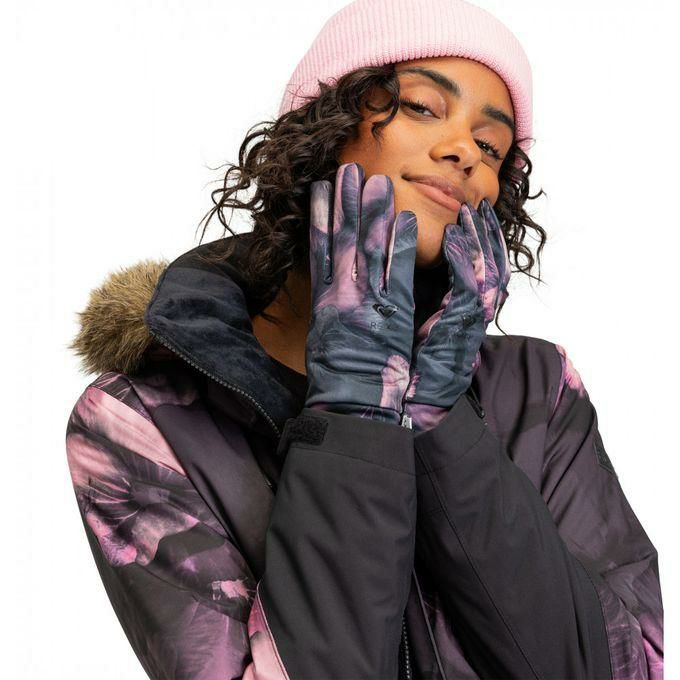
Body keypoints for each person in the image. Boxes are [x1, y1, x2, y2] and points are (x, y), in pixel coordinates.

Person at [64, 0, 664, 678]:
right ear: (324, 127)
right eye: (424, 107)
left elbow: (626, 669)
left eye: (492, 146)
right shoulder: (139, 423)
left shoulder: (539, 390)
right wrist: (353, 415)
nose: (464, 151)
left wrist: (445, 431)